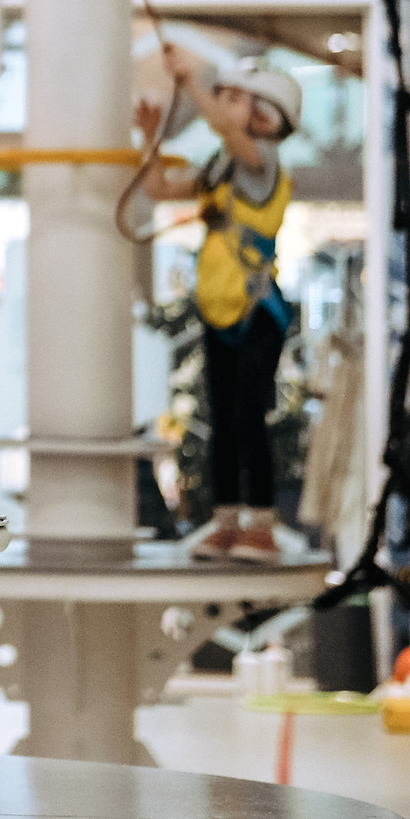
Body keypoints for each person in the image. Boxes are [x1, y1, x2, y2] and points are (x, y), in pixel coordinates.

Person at [132, 48, 304, 562]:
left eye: (236, 98)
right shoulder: (221, 166)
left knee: (249, 416)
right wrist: (150, 139)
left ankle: (261, 525)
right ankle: (228, 522)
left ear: (264, 116)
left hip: (256, 311)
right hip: (218, 310)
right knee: (222, 419)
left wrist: (192, 83)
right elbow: (161, 189)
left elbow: (227, 130)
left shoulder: (260, 162)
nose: (223, 106)